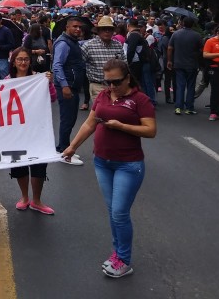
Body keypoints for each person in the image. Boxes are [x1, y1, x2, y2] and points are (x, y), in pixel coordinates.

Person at [62, 59, 156, 279]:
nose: (111, 86)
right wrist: (72, 146)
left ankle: (123, 260)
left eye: (116, 82)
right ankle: (117, 254)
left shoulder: (139, 100)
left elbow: (151, 130)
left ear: (127, 78)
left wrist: (121, 126)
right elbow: (90, 123)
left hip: (128, 164)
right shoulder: (104, 95)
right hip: (102, 162)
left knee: (119, 213)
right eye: (108, 82)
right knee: (113, 212)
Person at [7, 47, 57, 215]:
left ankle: (36, 200)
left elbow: (52, 98)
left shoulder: (39, 78)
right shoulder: (7, 81)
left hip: (37, 129)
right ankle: (24, 197)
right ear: (14, 62)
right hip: (16, 131)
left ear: (30, 61)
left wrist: (49, 84)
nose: (23, 62)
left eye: (26, 59)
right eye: (19, 59)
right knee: (19, 165)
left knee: (38, 164)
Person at [52, 17, 86, 163]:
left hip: (72, 85)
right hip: (67, 86)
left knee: (70, 119)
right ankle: (63, 151)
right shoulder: (64, 43)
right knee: (67, 119)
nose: (78, 29)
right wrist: (65, 85)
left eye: (80, 27)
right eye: (75, 26)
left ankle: (64, 147)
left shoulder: (72, 42)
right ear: (67, 27)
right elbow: (57, 65)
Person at [81, 16, 126, 111]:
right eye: (104, 29)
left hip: (117, 86)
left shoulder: (117, 45)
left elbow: (125, 64)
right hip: (98, 85)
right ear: (98, 31)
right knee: (102, 113)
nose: (107, 31)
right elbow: (79, 63)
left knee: (116, 113)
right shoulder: (88, 45)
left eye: (109, 29)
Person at [167, 17, 203, 115]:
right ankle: (189, 108)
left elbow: (170, 48)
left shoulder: (176, 34)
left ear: (182, 23)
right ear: (192, 24)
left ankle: (178, 107)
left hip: (178, 63)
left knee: (180, 86)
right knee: (191, 86)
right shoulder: (197, 35)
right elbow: (201, 49)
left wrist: (170, 60)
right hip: (192, 64)